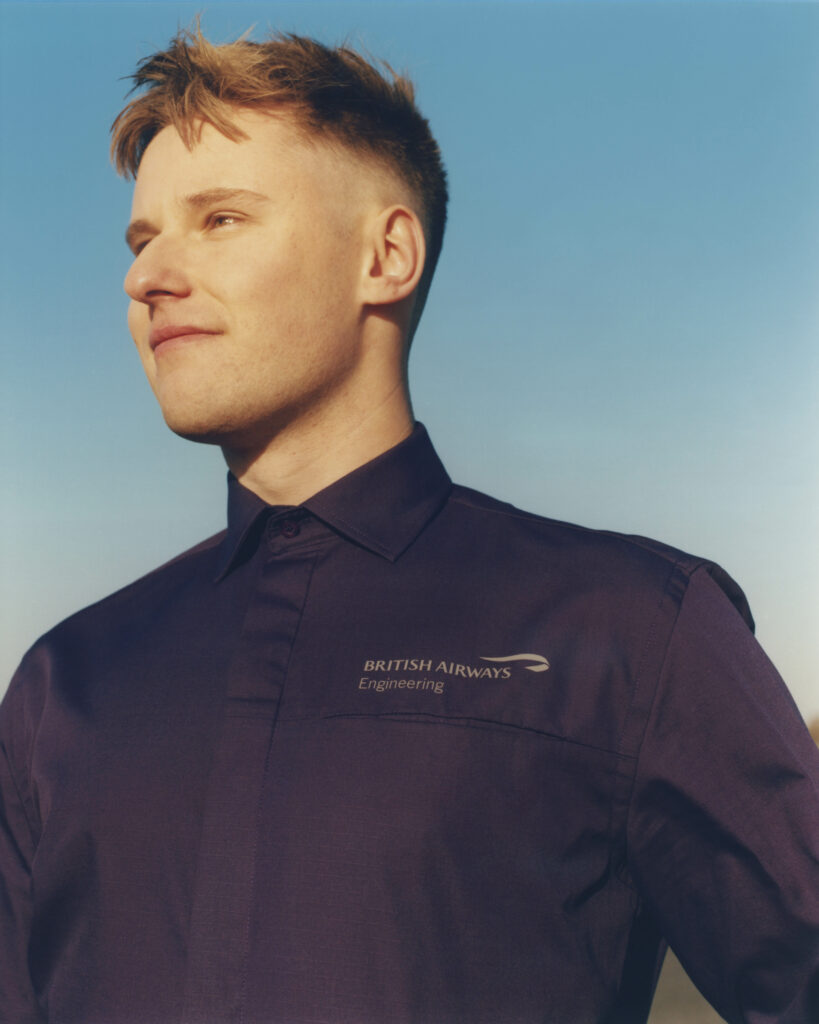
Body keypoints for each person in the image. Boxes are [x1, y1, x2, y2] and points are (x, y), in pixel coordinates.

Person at [1, 24, 817, 1024]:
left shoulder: (632, 631)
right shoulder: (63, 683)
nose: (148, 276)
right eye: (141, 239)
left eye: (219, 220)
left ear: (385, 255)